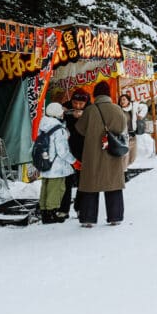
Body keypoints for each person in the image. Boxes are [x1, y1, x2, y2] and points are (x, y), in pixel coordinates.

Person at [75, 81, 128, 227]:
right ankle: (115, 217)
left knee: (90, 185)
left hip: (93, 154)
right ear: (108, 94)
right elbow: (123, 127)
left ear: (95, 94)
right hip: (112, 152)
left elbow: (80, 129)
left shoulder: (90, 110)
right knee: (113, 184)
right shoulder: (117, 109)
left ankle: (88, 219)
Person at [36, 102, 79, 223]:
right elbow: (63, 151)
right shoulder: (58, 129)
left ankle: (44, 212)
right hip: (57, 166)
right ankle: (51, 214)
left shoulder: (43, 125)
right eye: (61, 112)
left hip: (45, 163)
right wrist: (74, 161)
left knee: (45, 188)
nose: (62, 114)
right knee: (55, 189)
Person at [58, 88, 89, 219]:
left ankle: (79, 206)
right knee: (66, 181)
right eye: (75, 102)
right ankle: (63, 209)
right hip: (67, 151)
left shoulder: (90, 110)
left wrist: (84, 116)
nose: (77, 106)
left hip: (84, 151)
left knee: (83, 181)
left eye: (81, 104)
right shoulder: (66, 109)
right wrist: (63, 112)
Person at [118, 93, 140, 166]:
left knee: (133, 157)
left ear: (128, 101)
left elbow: (144, 107)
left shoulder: (133, 109)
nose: (122, 101)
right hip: (124, 137)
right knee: (125, 157)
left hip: (133, 135)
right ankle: (124, 172)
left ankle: (126, 169)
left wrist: (141, 115)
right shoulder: (119, 111)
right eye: (121, 100)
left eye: (124, 99)